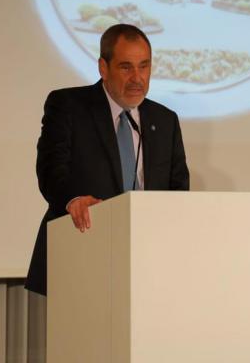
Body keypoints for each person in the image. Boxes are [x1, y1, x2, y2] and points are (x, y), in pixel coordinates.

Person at [25, 24, 190, 295]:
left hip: (145, 266)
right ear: (103, 68)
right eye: (126, 67)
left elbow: (178, 190)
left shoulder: (165, 120)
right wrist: (73, 199)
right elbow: (51, 170)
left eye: (144, 66)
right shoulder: (68, 106)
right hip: (81, 253)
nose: (137, 78)